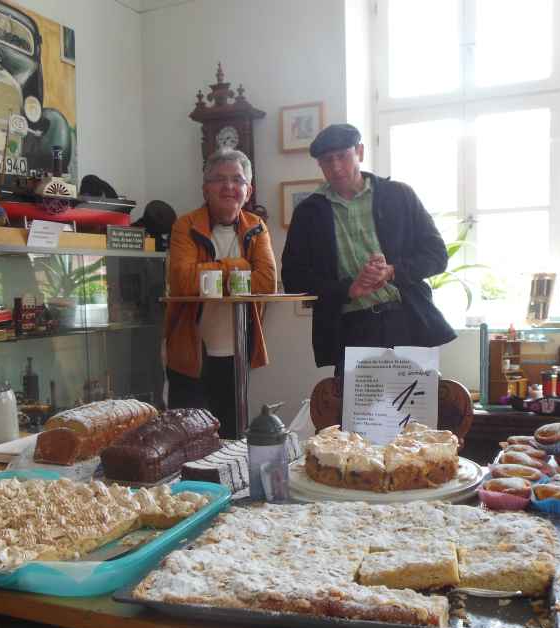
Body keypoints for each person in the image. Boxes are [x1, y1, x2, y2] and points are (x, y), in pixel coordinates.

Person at [281, 124, 456, 375]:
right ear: (319, 165)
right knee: (355, 402)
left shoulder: (400, 195)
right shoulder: (308, 213)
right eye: (327, 160)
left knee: (414, 400)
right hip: (349, 329)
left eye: (342, 156)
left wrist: (392, 271)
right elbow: (293, 279)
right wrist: (347, 289)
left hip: (407, 320)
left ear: (360, 152)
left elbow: (437, 256)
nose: (336, 167)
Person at [164, 149, 277, 438]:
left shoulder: (257, 227)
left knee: (232, 438)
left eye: (237, 180)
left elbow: (267, 282)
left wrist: (211, 272)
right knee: (187, 440)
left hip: (238, 354)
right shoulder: (185, 225)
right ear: (205, 188)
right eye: (219, 179)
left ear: (248, 190)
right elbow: (183, 281)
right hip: (190, 354)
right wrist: (239, 266)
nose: (228, 186)